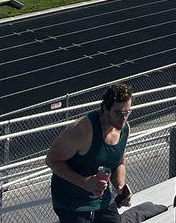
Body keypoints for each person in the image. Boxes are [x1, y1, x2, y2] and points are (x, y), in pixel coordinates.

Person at [47, 83, 133, 222]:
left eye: (127, 113)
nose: (124, 118)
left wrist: (120, 187)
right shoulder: (82, 130)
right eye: (118, 113)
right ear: (105, 109)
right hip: (72, 203)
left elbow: (119, 163)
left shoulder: (124, 129)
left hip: (101, 200)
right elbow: (51, 160)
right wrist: (84, 182)